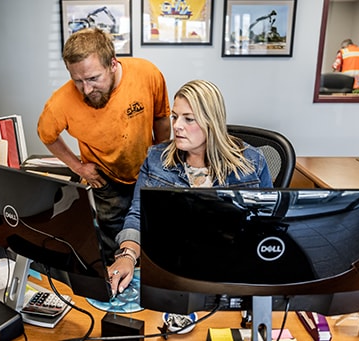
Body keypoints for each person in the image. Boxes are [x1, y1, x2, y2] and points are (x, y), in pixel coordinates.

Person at [108, 80, 273, 296]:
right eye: (175, 117)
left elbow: (269, 224)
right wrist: (127, 255)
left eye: (189, 119)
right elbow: (138, 215)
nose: (176, 126)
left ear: (211, 122)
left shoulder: (252, 162)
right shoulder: (156, 159)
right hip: (173, 270)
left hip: (233, 271)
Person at [37, 28, 170, 254]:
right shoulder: (60, 103)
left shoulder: (146, 74)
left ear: (112, 63)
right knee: (114, 243)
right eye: (77, 80)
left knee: (152, 234)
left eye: (93, 78)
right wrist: (78, 167)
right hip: (105, 180)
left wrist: (158, 160)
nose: (86, 89)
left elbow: (162, 118)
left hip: (147, 172)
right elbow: (47, 136)